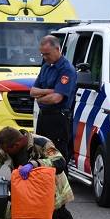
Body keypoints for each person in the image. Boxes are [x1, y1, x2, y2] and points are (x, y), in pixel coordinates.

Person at [0, 126, 75, 219]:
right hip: (27, 184)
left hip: (50, 188)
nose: (5, 153)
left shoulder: (41, 143)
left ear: (16, 145)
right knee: (21, 217)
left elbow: (60, 161)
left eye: (7, 151)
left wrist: (34, 164)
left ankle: (61, 212)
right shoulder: (8, 144)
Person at [30, 35, 77, 163]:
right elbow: (33, 91)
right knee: (40, 153)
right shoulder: (46, 66)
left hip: (58, 119)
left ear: (57, 49)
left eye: (47, 54)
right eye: (42, 54)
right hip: (44, 117)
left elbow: (56, 98)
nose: (45, 57)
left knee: (57, 157)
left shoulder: (66, 69)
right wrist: (49, 91)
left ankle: (60, 182)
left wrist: (40, 99)